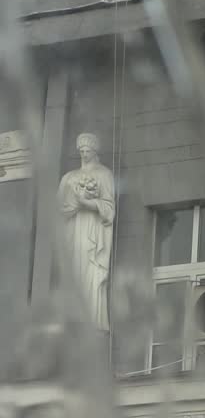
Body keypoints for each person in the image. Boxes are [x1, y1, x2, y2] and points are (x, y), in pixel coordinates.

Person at [57, 133, 115, 331]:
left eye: (87, 150)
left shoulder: (104, 174)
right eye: (81, 150)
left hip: (93, 230)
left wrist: (87, 202)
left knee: (91, 272)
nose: (84, 153)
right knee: (74, 270)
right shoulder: (68, 178)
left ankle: (92, 317)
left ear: (95, 151)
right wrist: (74, 204)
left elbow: (108, 209)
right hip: (73, 230)